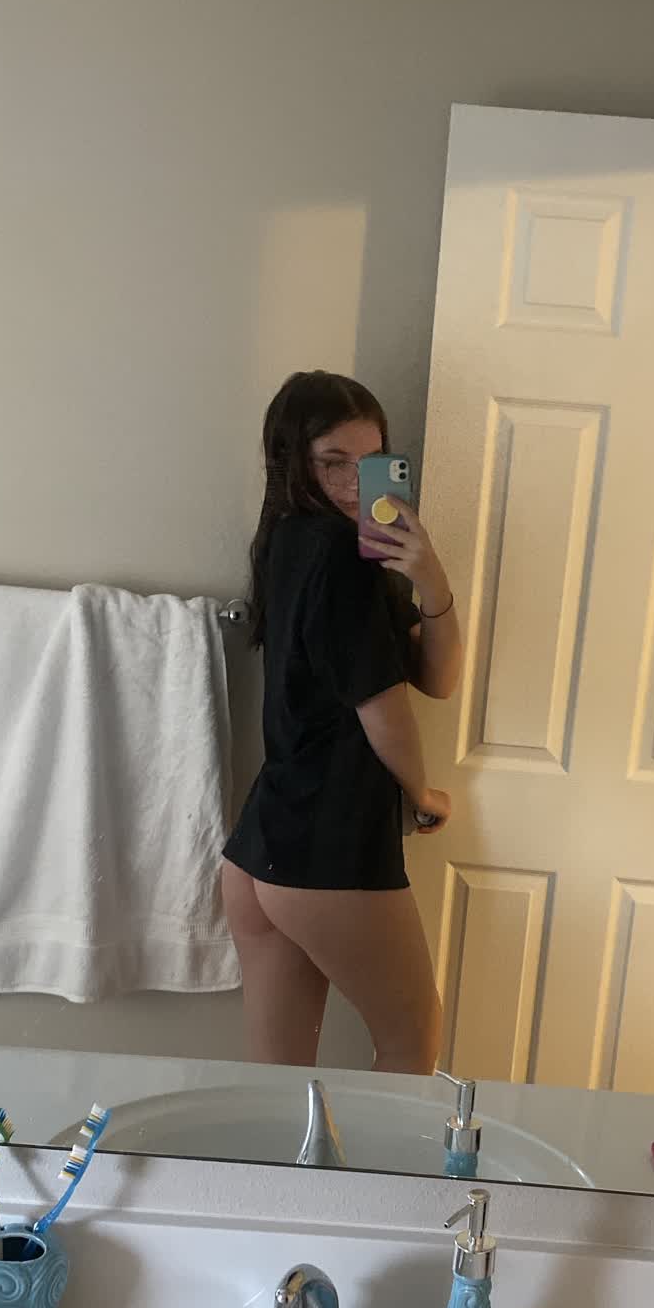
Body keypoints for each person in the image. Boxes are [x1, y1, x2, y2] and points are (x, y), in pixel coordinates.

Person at [222, 371, 463, 1074]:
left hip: (260, 850)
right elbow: (383, 708)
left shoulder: (287, 541)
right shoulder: (340, 557)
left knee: (278, 1080)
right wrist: (420, 795)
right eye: (334, 462)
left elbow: (436, 677)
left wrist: (430, 581)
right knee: (409, 1045)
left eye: (373, 461)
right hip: (328, 845)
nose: (358, 483)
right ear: (291, 462)